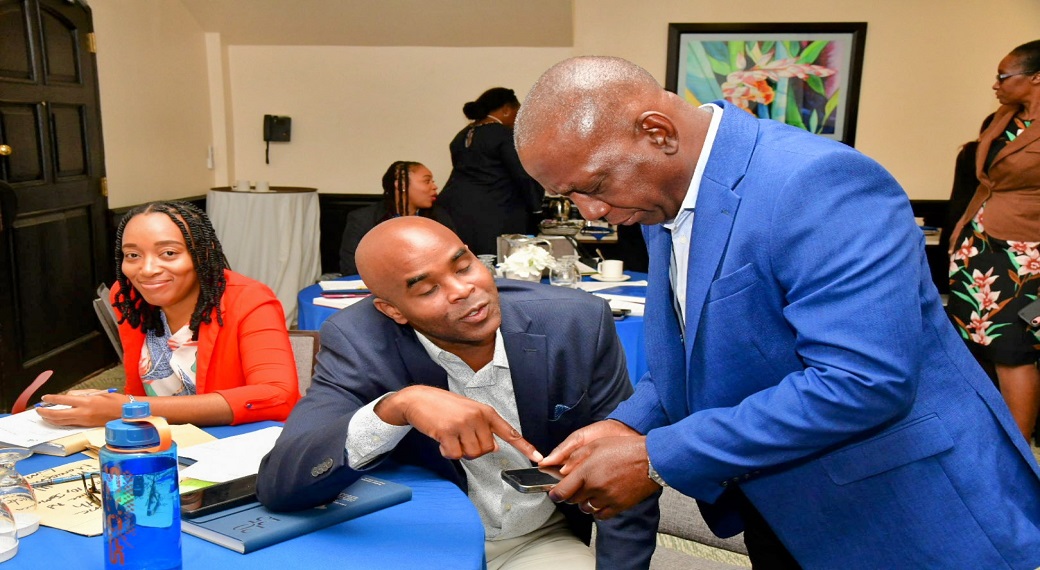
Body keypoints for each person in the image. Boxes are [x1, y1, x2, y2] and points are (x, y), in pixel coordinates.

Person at [512, 56, 1040, 569]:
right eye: (570, 196)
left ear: (657, 132)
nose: (592, 212)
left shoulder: (817, 182)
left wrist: (657, 456)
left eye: (594, 186)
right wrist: (629, 426)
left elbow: (863, 380)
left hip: (905, 507)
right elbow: (697, 351)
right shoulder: (658, 195)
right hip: (781, 500)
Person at [257, 217, 658, 569]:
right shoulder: (358, 340)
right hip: (420, 542)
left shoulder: (576, 323)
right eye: (427, 290)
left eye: (464, 266)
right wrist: (398, 407)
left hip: (539, 541)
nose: (462, 290)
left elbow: (624, 474)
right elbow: (281, 483)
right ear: (393, 310)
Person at [38, 201, 299, 427]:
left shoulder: (249, 299)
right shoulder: (129, 296)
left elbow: (277, 396)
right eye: (133, 255)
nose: (147, 269)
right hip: (160, 438)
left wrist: (129, 407)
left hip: (239, 445)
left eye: (169, 253)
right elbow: (138, 388)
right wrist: (110, 403)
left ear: (202, 255)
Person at [947, 40, 1040, 442]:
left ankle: (1018, 452)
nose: (996, 84)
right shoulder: (999, 119)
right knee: (976, 349)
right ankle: (984, 438)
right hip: (981, 249)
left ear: (1035, 78)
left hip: (1029, 253)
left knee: (1013, 349)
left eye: (1004, 77)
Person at [438, 87, 544, 255]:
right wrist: (537, 208)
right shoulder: (504, 135)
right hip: (496, 214)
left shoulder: (461, 136)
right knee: (498, 266)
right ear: (507, 110)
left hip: (456, 212)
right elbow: (522, 175)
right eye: (517, 112)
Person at [339, 160, 455, 275]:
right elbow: (351, 268)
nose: (434, 187)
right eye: (427, 181)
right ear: (402, 185)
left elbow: (454, 258)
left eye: (432, 181)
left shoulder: (439, 217)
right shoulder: (363, 219)